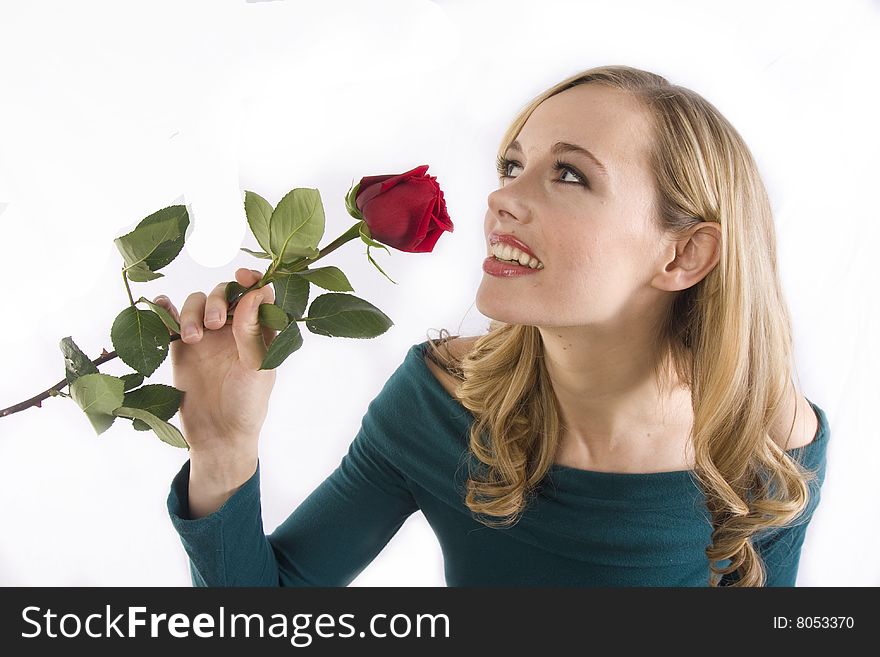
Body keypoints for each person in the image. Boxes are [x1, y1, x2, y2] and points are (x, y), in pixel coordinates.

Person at [156, 64, 829, 587]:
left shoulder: (763, 430)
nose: (502, 197)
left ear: (682, 254)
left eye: (569, 174)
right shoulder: (436, 402)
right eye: (513, 164)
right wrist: (221, 451)